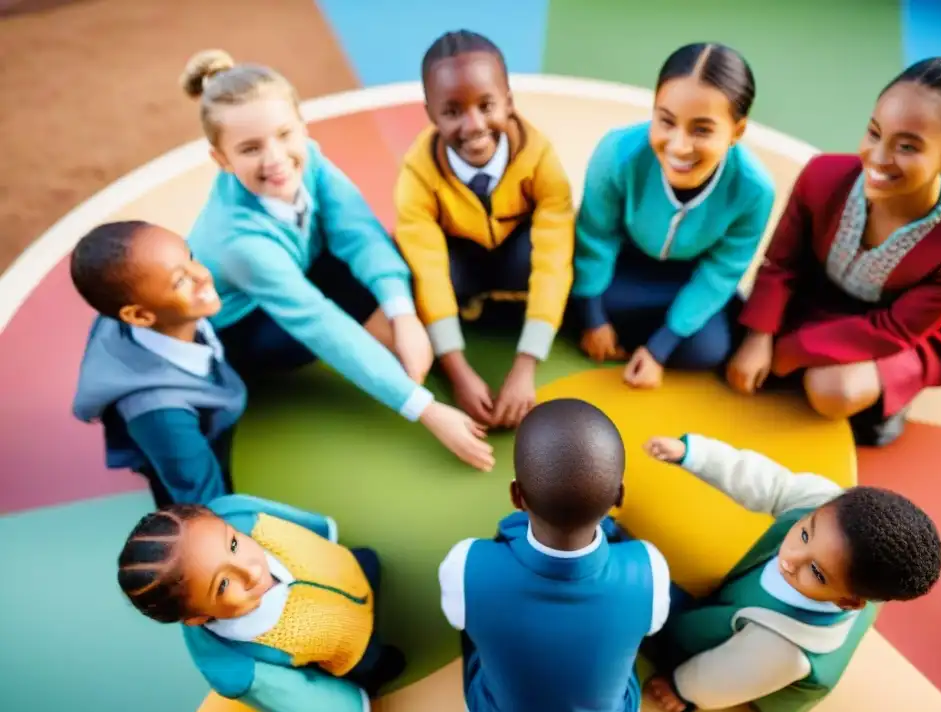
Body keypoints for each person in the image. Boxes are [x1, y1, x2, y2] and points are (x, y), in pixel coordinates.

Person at [181, 49, 494, 471]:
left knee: (380, 258)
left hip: (302, 268)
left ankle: (422, 355)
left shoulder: (310, 159)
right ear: (221, 160)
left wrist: (402, 316)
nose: (275, 158)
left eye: (284, 134)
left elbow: (360, 235)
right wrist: (426, 411)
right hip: (250, 326)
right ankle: (420, 380)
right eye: (250, 148)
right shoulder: (238, 243)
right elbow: (323, 327)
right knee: (348, 311)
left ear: (302, 126)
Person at [727, 49, 941, 446]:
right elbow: (781, 263)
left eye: (907, 147)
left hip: (902, 330)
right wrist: (759, 337)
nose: (877, 158)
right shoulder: (821, 176)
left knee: (833, 391)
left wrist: (786, 352)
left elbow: (895, 327)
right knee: (731, 337)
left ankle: (887, 399)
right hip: (822, 298)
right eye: (875, 132)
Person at [641, 433, 941, 712]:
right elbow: (770, 482)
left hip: (752, 655)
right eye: (803, 534)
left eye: (816, 571)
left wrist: (684, 689)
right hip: (749, 605)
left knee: (668, 627)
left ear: (847, 601)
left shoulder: (785, 648)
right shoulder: (824, 506)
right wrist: (695, 455)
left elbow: (729, 677)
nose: (791, 557)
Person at [438, 399, 671, 712]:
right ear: (619, 496)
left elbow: (457, 620)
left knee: (472, 619)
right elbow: (652, 626)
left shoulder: (465, 564)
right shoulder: (650, 568)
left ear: (517, 495)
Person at [116, 493, 406, 712]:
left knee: (365, 563)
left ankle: (361, 572)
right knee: (376, 663)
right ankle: (375, 663)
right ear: (198, 617)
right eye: (223, 585)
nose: (252, 570)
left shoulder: (237, 512)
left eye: (233, 545)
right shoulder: (233, 666)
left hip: (345, 567)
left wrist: (323, 530)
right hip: (351, 646)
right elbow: (300, 699)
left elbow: (290, 518)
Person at [395, 30, 575, 429]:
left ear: (509, 101)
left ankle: (507, 308)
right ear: (430, 114)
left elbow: (552, 258)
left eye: (487, 105)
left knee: (557, 252)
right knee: (408, 265)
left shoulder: (540, 157)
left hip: (516, 258)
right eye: (453, 111)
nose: (474, 125)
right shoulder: (417, 174)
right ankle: (478, 308)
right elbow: (429, 270)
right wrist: (457, 371)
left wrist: (526, 364)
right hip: (462, 265)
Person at [571, 43, 775, 390]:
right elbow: (595, 237)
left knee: (708, 349)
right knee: (568, 302)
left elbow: (720, 273)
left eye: (701, 130)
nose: (679, 146)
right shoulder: (617, 153)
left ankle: (646, 328)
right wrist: (593, 320)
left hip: (684, 278)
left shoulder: (754, 191)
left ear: (737, 132)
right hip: (622, 265)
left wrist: (659, 349)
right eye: (666, 121)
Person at [71, 221, 245, 507]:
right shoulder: (160, 412)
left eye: (190, 257)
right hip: (180, 445)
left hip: (192, 418)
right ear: (139, 316)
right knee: (196, 501)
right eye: (180, 281)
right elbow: (205, 503)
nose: (202, 275)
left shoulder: (166, 316)